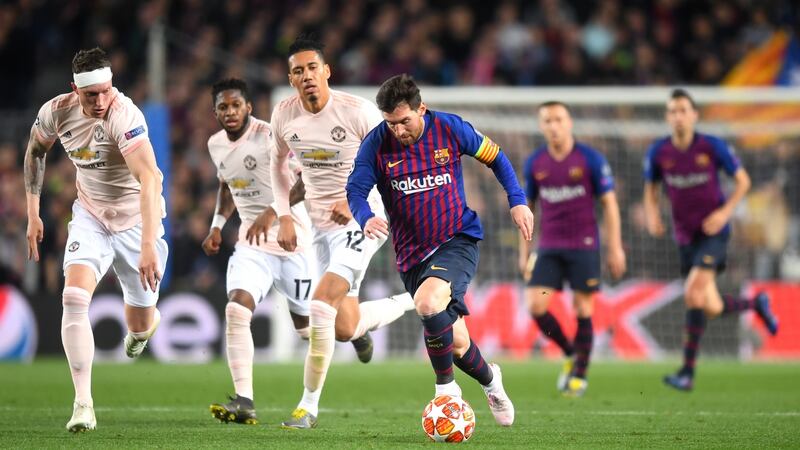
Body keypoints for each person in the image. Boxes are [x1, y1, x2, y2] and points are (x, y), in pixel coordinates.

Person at [347, 73, 535, 427]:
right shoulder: (376, 144)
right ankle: (491, 380)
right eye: (391, 123)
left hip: (456, 239)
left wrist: (518, 200)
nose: (398, 131)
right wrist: (365, 217)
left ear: (422, 109)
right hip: (411, 257)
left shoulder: (450, 128)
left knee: (428, 302)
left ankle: (446, 391)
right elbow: (355, 189)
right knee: (457, 343)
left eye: (404, 121)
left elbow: (496, 157)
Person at [270, 36, 414, 429]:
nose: (306, 76)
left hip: (364, 220)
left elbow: (395, 160)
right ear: (291, 79)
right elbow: (277, 167)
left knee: (320, 304)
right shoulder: (283, 115)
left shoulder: (357, 112)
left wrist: (356, 203)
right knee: (344, 326)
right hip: (320, 226)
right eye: (298, 71)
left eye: (312, 68)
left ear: (326, 71)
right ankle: (408, 301)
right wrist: (284, 216)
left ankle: (307, 408)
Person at [24, 47, 168, 432]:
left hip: (137, 220)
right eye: (91, 95)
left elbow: (149, 178)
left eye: (106, 91)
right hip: (90, 215)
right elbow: (35, 151)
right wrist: (33, 213)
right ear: (75, 90)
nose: (101, 101)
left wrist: (148, 245)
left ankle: (144, 327)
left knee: (140, 324)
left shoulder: (125, 115)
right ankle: (83, 404)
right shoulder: (56, 111)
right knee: (73, 298)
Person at [643, 89, 779, 391]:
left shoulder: (712, 146)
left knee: (693, 293)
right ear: (667, 117)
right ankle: (756, 303)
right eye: (673, 111)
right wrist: (652, 214)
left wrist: (724, 213)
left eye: (683, 110)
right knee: (712, 306)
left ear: (694, 115)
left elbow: (743, 181)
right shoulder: (658, 152)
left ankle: (686, 372)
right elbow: (650, 188)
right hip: (685, 236)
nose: (678, 116)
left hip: (714, 233)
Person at [202, 78, 314, 425]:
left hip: (292, 241)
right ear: (216, 112)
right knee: (236, 309)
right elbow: (227, 186)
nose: (230, 112)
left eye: (236, 105)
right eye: (223, 107)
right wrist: (217, 225)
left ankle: (355, 330)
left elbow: (306, 181)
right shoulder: (215, 144)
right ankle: (244, 401)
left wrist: (272, 212)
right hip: (252, 244)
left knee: (308, 329)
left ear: (248, 107)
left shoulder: (271, 137)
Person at [519, 101, 626, 397]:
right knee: (536, 305)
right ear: (541, 126)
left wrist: (615, 247)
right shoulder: (535, 163)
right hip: (549, 246)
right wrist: (524, 252)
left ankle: (580, 373)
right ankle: (569, 352)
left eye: (559, 119)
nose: (553, 126)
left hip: (584, 245)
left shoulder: (590, 159)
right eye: (548, 120)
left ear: (569, 123)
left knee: (583, 308)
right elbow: (527, 209)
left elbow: (610, 204)